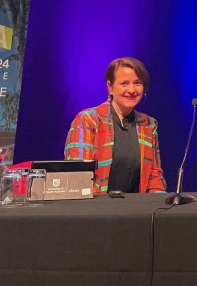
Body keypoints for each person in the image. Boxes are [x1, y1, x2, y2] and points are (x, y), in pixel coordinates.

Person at [64, 57, 166, 194]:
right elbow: (78, 175)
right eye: (124, 83)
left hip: (138, 210)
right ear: (110, 87)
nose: (131, 90)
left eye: (137, 83)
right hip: (95, 209)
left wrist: (158, 206)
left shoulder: (148, 124)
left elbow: (155, 177)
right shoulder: (88, 119)